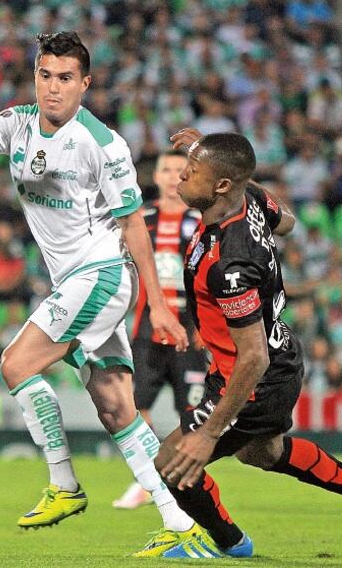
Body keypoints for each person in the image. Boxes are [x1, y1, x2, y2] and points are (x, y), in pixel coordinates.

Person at [0, 32, 205, 553]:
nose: (52, 88)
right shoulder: (15, 124)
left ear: (85, 83)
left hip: (101, 275)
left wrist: (162, 306)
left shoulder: (103, 145)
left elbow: (134, 227)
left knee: (16, 364)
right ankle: (183, 525)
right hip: (75, 282)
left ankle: (63, 484)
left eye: (64, 79)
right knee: (115, 407)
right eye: (44, 75)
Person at [146, 129, 342, 559]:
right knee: (264, 452)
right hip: (279, 356)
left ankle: (229, 545)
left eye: (193, 170)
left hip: (255, 376)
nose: (181, 175)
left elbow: (251, 358)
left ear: (221, 186)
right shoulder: (249, 200)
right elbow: (288, 222)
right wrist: (227, 167)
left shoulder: (230, 263)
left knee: (173, 461)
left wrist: (208, 434)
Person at [113, 149, 208, 510]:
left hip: (190, 331)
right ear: (155, 176)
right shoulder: (140, 220)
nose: (172, 177)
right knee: (135, 408)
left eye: (179, 171)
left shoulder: (201, 221)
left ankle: (181, 479)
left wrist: (205, 326)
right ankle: (149, 477)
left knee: (194, 413)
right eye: (166, 170)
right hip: (145, 331)